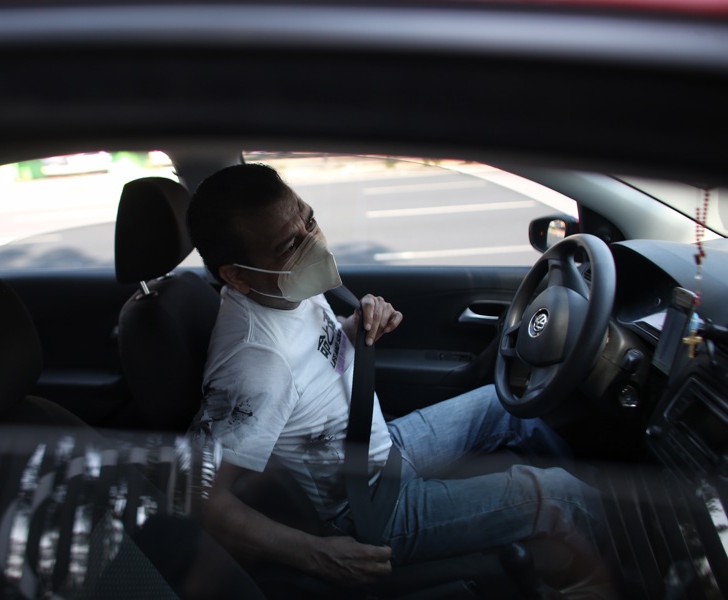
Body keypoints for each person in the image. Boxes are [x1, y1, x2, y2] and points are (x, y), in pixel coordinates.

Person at [185, 163, 605, 588]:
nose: (313, 243)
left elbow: (312, 359)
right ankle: (622, 573)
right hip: (363, 508)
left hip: (381, 447)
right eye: (291, 244)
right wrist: (318, 556)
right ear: (236, 275)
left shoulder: (279, 291)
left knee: (509, 407)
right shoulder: (254, 365)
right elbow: (201, 495)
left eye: (309, 220)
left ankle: (577, 543)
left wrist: (360, 327)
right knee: (557, 496)